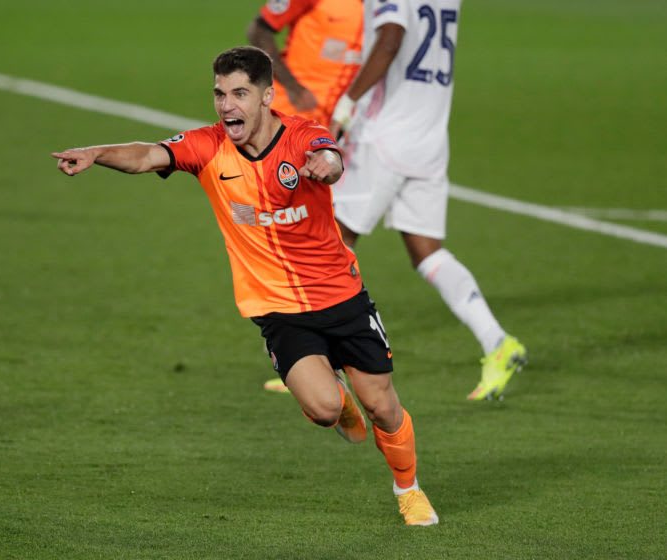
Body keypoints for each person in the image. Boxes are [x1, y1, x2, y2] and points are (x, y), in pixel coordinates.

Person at [52, 46, 438, 526]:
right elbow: (149, 154)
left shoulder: (301, 135)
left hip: (340, 295)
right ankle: (338, 406)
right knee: (322, 408)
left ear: (266, 97)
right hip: (276, 307)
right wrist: (97, 153)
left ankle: (409, 489)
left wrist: (327, 167)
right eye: (219, 94)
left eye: (239, 93)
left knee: (382, 405)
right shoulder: (208, 146)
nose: (227, 105)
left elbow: (329, 155)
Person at [328, 0, 526, 401]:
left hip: (386, 136)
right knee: (427, 252)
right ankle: (497, 341)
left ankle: (322, 363)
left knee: (332, 242)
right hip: (430, 137)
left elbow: (392, 36)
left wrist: (347, 105)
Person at [247, 0, 363, 393]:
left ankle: (315, 359)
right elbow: (259, 31)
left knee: (330, 239)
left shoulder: (387, 7)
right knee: (290, 242)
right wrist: (293, 88)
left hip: (342, 136)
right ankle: (309, 358)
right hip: (289, 134)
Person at [245, 0, 363, 129]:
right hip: (293, 109)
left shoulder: (382, 7)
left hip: (343, 118)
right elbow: (259, 30)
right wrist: (292, 85)